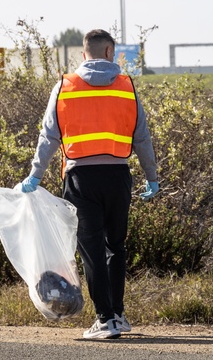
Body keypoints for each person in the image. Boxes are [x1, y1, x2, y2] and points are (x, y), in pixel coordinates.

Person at [19, 29, 159, 340]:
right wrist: (152, 176)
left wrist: (35, 175)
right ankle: (118, 315)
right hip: (119, 176)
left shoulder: (65, 86)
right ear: (110, 52)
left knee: (92, 249)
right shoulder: (127, 86)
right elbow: (142, 137)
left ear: (84, 54)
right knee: (115, 248)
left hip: (81, 178)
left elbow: (49, 137)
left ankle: (105, 319)